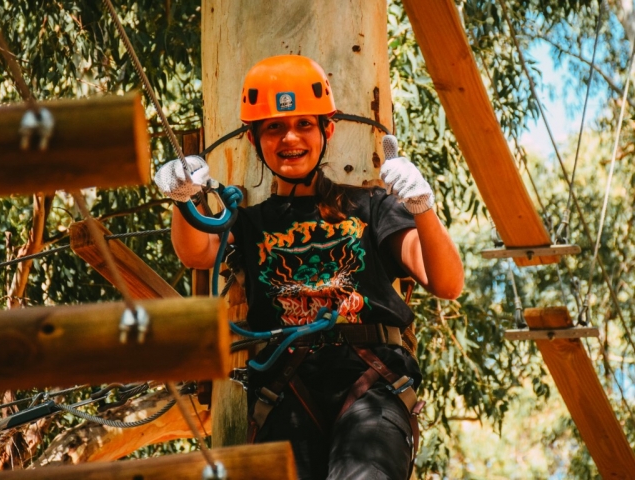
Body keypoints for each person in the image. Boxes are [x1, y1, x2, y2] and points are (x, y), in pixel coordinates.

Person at [155, 55, 463, 480]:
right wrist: (183, 198)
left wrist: (421, 206)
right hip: (285, 393)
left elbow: (446, 282)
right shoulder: (250, 222)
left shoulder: (371, 207)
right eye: (274, 128)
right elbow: (197, 252)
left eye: (304, 124)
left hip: (372, 383)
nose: (290, 138)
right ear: (254, 139)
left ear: (326, 130)